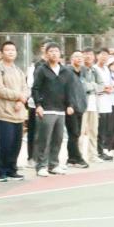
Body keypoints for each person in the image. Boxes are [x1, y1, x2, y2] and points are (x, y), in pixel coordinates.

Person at [31, 43, 74, 176]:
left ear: (60, 54)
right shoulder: (41, 69)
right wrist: (38, 105)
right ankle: (41, 166)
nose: (54, 53)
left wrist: (70, 105)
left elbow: (69, 89)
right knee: (44, 139)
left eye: (56, 51)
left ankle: (53, 164)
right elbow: (35, 88)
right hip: (46, 109)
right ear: (46, 54)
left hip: (61, 110)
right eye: (51, 51)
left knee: (58, 138)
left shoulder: (65, 71)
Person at [0, 41, 30, 182]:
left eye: (13, 50)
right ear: (1, 53)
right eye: (7, 50)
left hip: (18, 112)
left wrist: (21, 101)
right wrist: (18, 96)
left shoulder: (18, 70)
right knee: (5, 143)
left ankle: (12, 170)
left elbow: (25, 88)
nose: (11, 52)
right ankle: (2, 171)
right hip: (3, 112)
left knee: (16, 144)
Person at [64, 51, 91, 169]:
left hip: (81, 106)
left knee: (77, 134)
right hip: (71, 107)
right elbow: (65, 89)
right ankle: (77, 158)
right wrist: (68, 104)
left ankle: (71, 159)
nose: (79, 59)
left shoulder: (83, 72)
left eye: (81, 57)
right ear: (71, 59)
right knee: (73, 133)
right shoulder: (67, 71)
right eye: (76, 57)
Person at [80, 48, 102, 163]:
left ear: (94, 57)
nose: (88, 57)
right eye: (85, 54)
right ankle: (78, 155)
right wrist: (94, 85)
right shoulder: (80, 70)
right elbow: (82, 86)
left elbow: (102, 86)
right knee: (80, 131)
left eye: (90, 54)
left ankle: (92, 155)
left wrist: (92, 86)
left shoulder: (95, 70)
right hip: (82, 104)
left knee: (94, 131)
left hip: (94, 104)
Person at [94, 48, 114, 161]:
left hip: (107, 102)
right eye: (102, 54)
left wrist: (111, 88)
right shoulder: (94, 69)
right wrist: (104, 89)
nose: (104, 57)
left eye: (106, 55)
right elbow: (95, 85)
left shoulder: (107, 69)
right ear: (97, 56)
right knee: (100, 129)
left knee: (107, 128)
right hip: (98, 102)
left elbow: (110, 83)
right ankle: (98, 151)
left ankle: (103, 150)